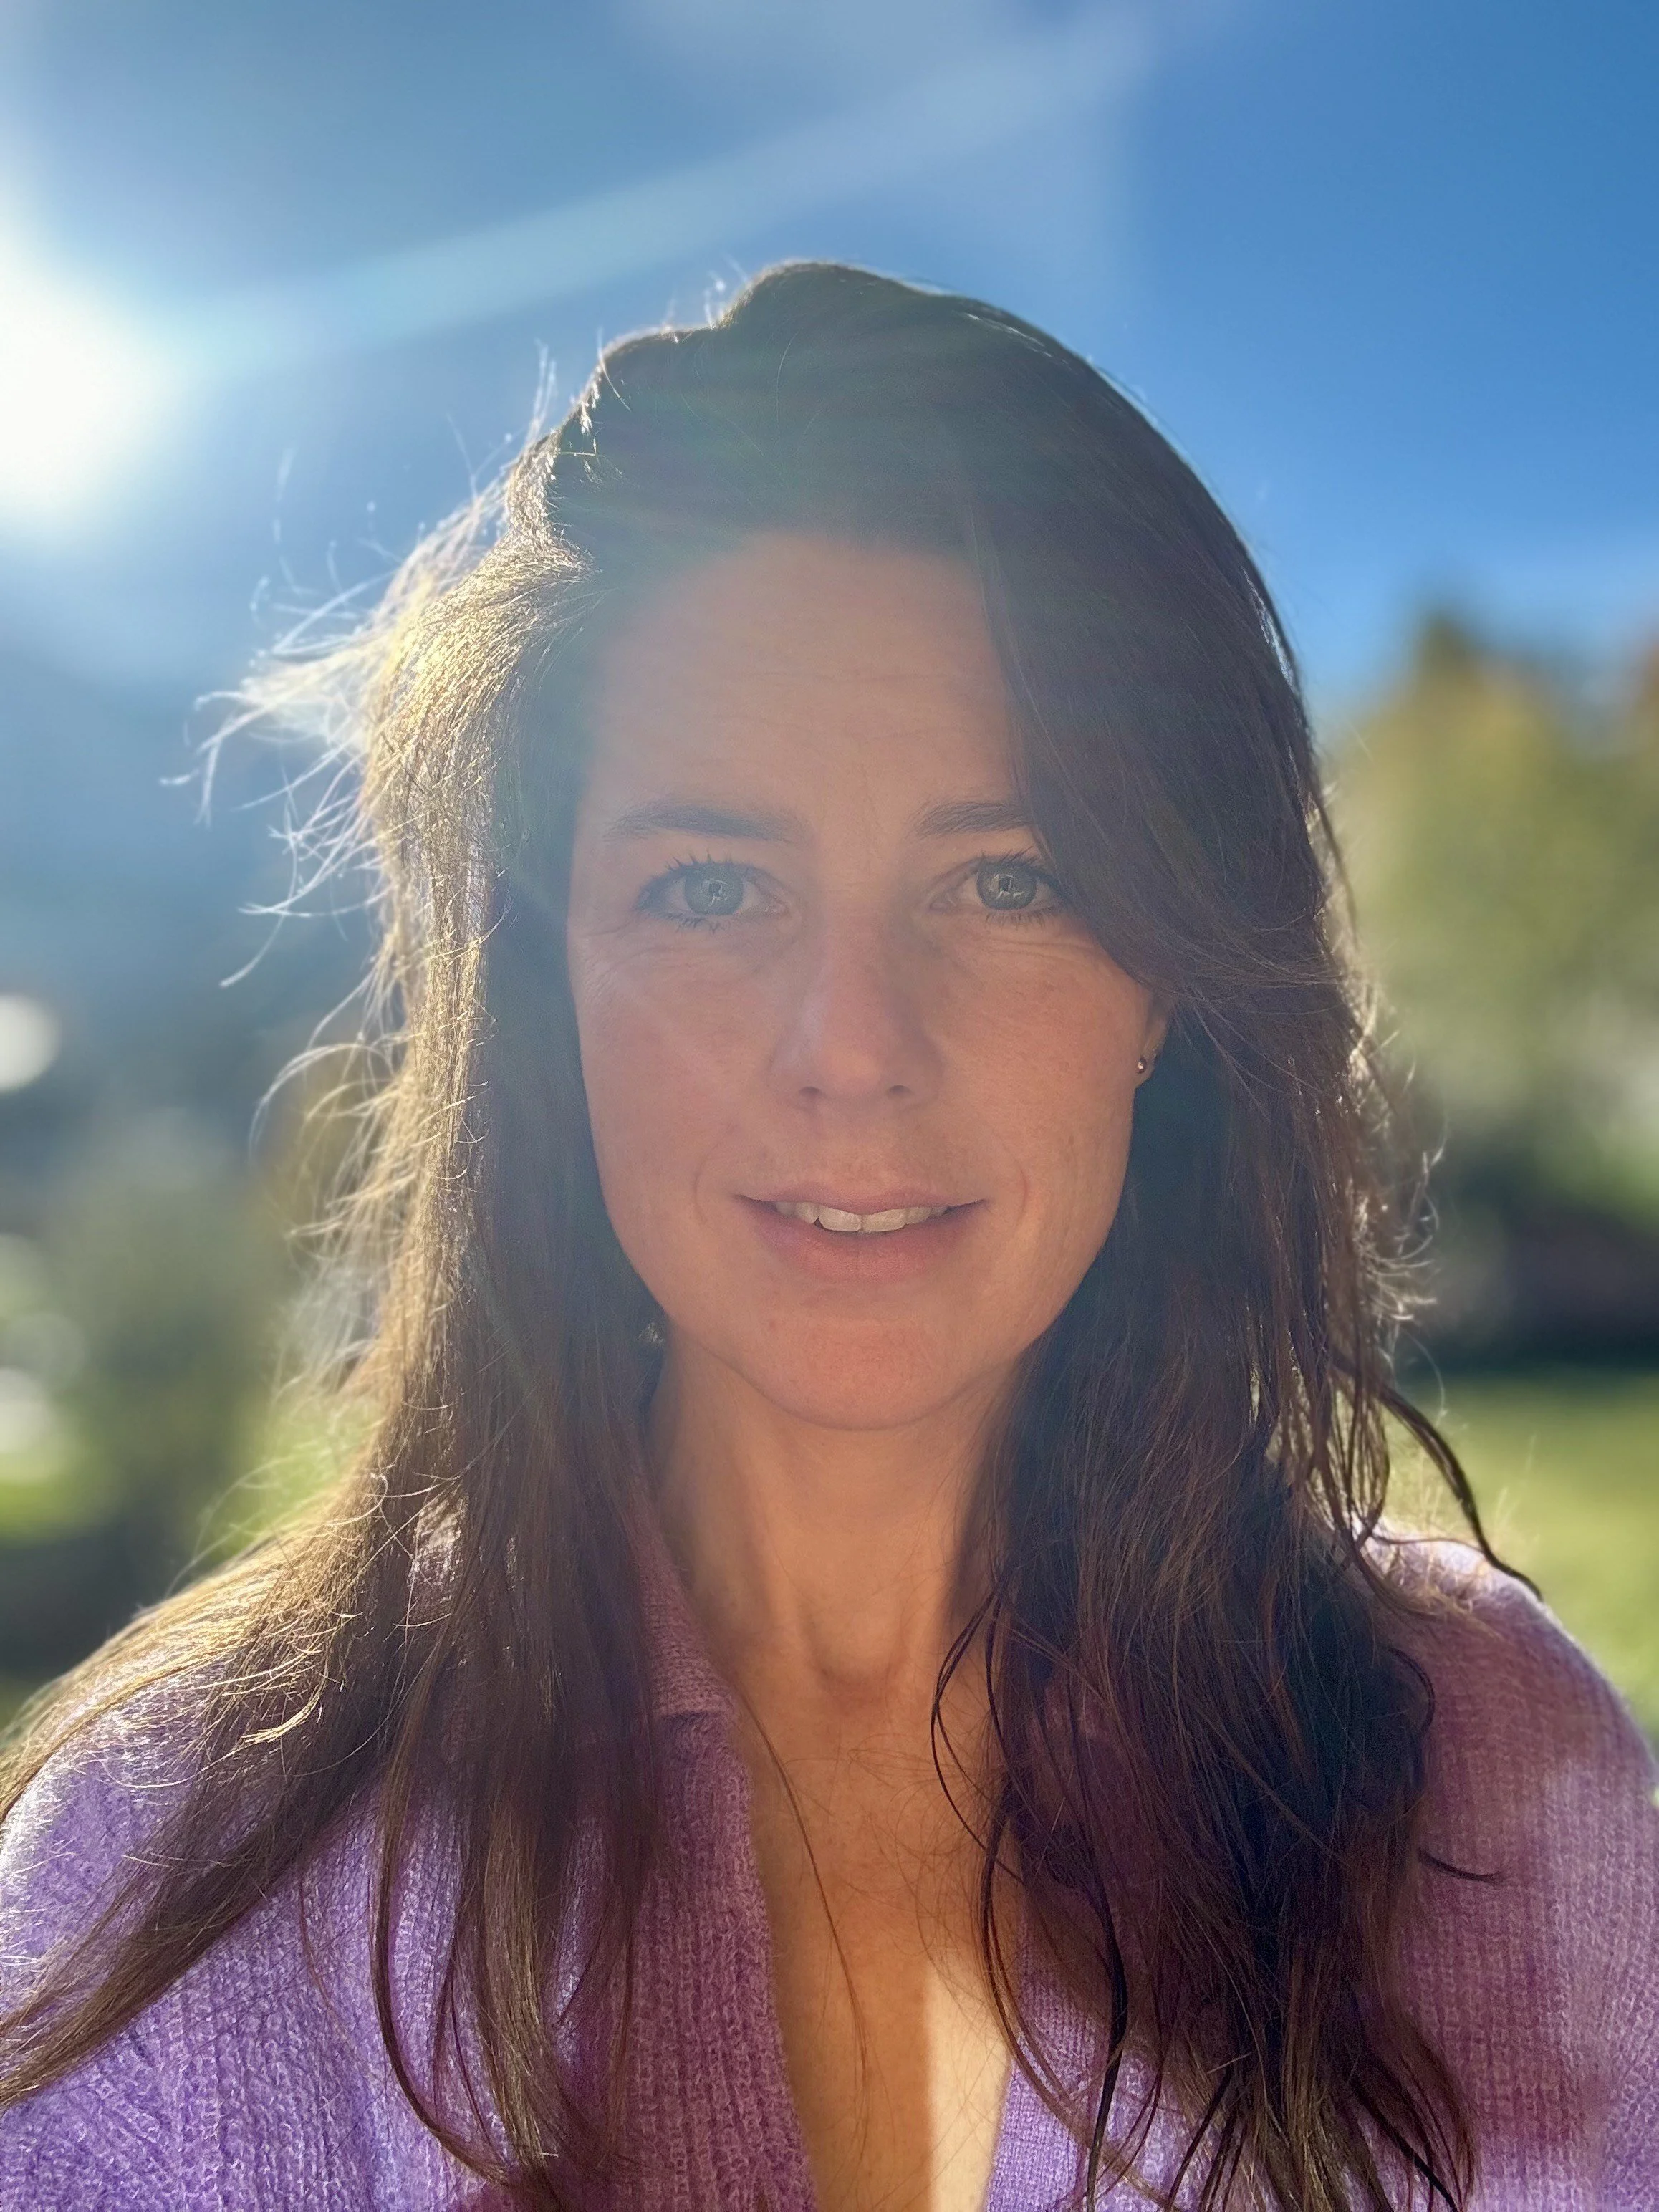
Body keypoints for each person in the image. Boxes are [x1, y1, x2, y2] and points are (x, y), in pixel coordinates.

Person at [0, 263, 1653, 2212]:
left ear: (1170, 990)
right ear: (549, 998)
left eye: (1009, 877)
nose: (853, 1051)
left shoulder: (1486, 1757)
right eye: (710, 885)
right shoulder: (177, 1874)